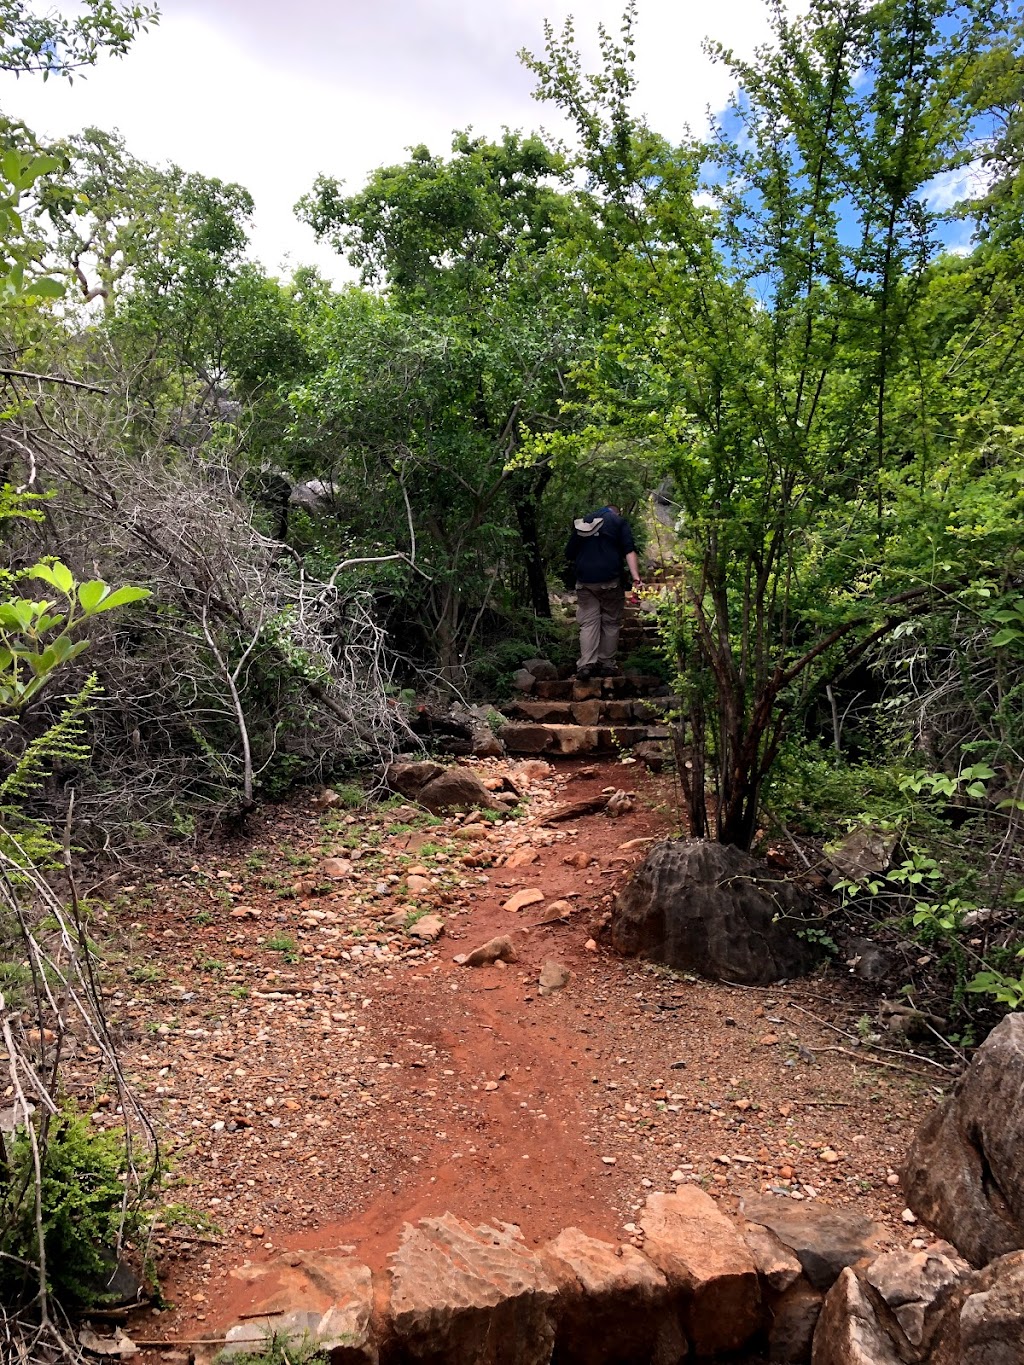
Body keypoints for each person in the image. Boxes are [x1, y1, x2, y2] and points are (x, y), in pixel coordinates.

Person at [564, 503, 642, 680]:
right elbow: (629, 551)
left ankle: (586, 665)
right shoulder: (618, 522)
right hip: (610, 580)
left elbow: (569, 553)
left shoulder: (584, 522)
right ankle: (606, 664)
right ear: (616, 511)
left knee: (588, 623)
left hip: (585, 581)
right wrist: (636, 578)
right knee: (610, 621)